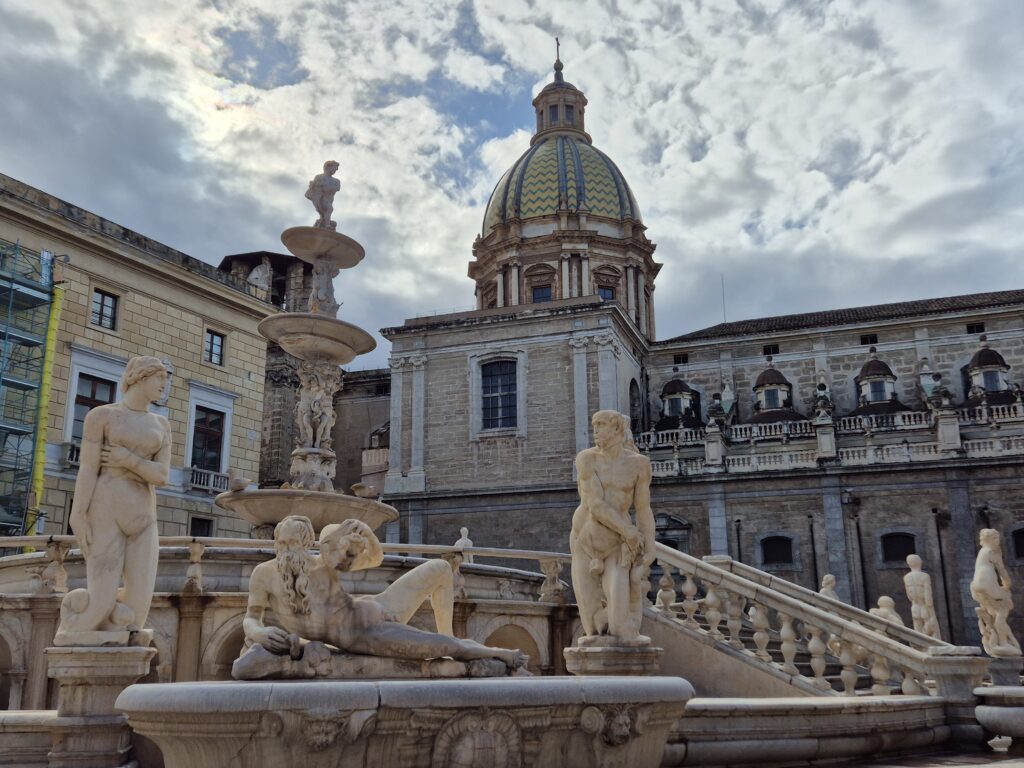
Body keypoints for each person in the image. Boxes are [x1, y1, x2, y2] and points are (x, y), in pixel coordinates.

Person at [241, 516, 527, 670]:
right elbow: (251, 618)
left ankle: (485, 650)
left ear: (307, 544)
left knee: (441, 569)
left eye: (293, 543)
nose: (287, 549)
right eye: (282, 543)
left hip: (374, 613)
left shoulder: (322, 564)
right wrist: (260, 633)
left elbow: (374, 559)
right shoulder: (263, 575)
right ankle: (496, 653)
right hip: (363, 633)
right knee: (436, 646)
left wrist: (368, 534)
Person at [55, 356, 172, 643]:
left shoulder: (161, 424)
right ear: (141, 378)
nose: (163, 387)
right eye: (159, 380)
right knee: (101, 598)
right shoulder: (102, 416)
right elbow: (88, 467)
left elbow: (162, 475)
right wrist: (77, 513)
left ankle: (117, 638)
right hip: (105, 507)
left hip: (143, 514)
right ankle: (80, 628)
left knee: (137, 611)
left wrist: (126, 459)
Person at [570, 410, 655, 642]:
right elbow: (594, 504)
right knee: (592, 630)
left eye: (602, 425)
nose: (595, 430)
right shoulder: (587, 458)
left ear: (617, 429)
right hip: (585, 540)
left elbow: (643, 509)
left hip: (616, 545)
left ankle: (623, 648)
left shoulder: (639, 464)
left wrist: (650, 546)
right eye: (594, 424)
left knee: (618, 624)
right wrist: (629, 531)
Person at [971, 528, 1022, 657]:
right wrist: (1007, 583)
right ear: (989, 540)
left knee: (994, 612)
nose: (998, 541)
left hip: (976, 585)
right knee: (1003, 609)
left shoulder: (982, 551)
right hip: (988, 583)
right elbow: (1001, 569)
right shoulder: (993, 551)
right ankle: (1004, 642)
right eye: (995, 538)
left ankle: (997, 637)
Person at [903, 554, 941, 639]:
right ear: (920, 562)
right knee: (932, 629)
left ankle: (920, 647)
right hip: (925, 606)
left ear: (909, 564)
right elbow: (928, 596)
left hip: (915, 606)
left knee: (917, 629)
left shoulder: (906, 577)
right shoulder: (924, 576)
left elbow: (909, 596)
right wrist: (931, 610)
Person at [305, 160, 341, 230]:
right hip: (319, 198)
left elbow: (337, 188)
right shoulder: (319, 177)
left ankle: (324, 222)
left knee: (326, 212)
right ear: (328, 167)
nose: (335, 171)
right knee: (329, 209)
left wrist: (326, 187)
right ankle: (327, 225)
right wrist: (314, 186)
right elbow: (314, 188)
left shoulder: (336, 181)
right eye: (335, 168)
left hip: (328, 199)